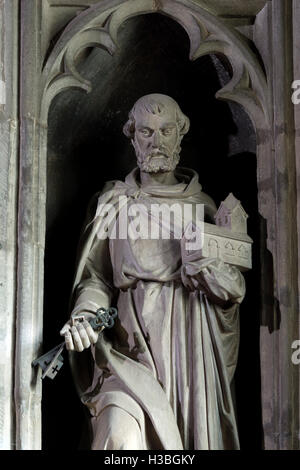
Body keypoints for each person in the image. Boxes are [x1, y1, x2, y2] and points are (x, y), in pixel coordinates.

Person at [60, 94, 245, 450]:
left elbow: (233, 291)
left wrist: (207, 271)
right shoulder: (113, 203)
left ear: (180, 135)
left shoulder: (205, 210)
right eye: (146, 131)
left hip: (191, 353)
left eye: (166, 130)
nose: (156, 140)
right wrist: (86, 316)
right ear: (132, 137)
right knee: (118, 434)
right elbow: (96, 278)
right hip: (128, 353)